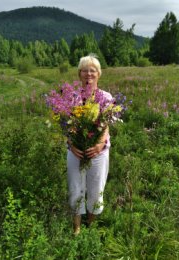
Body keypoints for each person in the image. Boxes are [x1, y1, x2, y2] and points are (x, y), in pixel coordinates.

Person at [67, 54, 113, 235]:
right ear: (79, 74)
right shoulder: (72, 97)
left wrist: (100, 144)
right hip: (75, 150)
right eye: (84, 70)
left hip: (98, 151)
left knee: (96, 187)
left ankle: (90, 223)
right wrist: (72, 144)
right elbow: (66, 124)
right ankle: (77, 226)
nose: (88, 74)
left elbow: (107, 125)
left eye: (92, 70)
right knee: (75, 187)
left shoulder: (106, 97)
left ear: (99, 74)